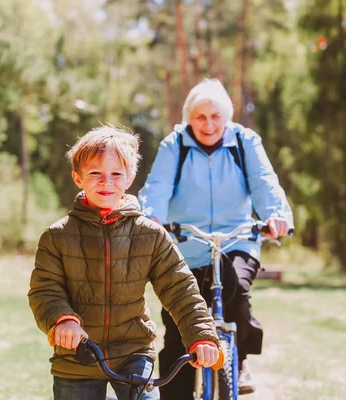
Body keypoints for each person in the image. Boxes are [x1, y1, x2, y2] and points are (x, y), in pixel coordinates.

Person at [28, 125, 222, 400]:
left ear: (129, 178)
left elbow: (180, 289)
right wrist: (63, 321)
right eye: (95, 173)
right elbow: (44, 289)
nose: (106, 182)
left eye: (116, 174)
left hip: (133, 350)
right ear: (77, 177)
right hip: (77, 352)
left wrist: (201, 335)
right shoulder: (57, 236)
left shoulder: (150, 234)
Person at [138, 79, 293, 399]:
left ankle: (240, 360)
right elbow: (157, 186)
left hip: (237, 238)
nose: (208, 124)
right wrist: (152, 216)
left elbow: (265, 182)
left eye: (215, 117)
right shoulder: (175, 145)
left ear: (227, 118)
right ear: (188, 118)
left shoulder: (245, 142)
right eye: (200, 117)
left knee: (235, 286)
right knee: (178, 325)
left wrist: (276, 216)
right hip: (184, 243)